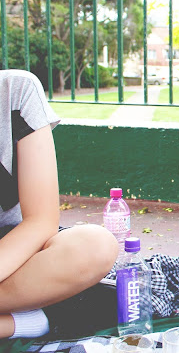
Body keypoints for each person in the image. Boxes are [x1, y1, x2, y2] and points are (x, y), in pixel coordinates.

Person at [0, 69, 119, 339]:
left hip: (14, 250)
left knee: (95, 245)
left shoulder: (15, 90)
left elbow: (40, 222)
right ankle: (26, 321)